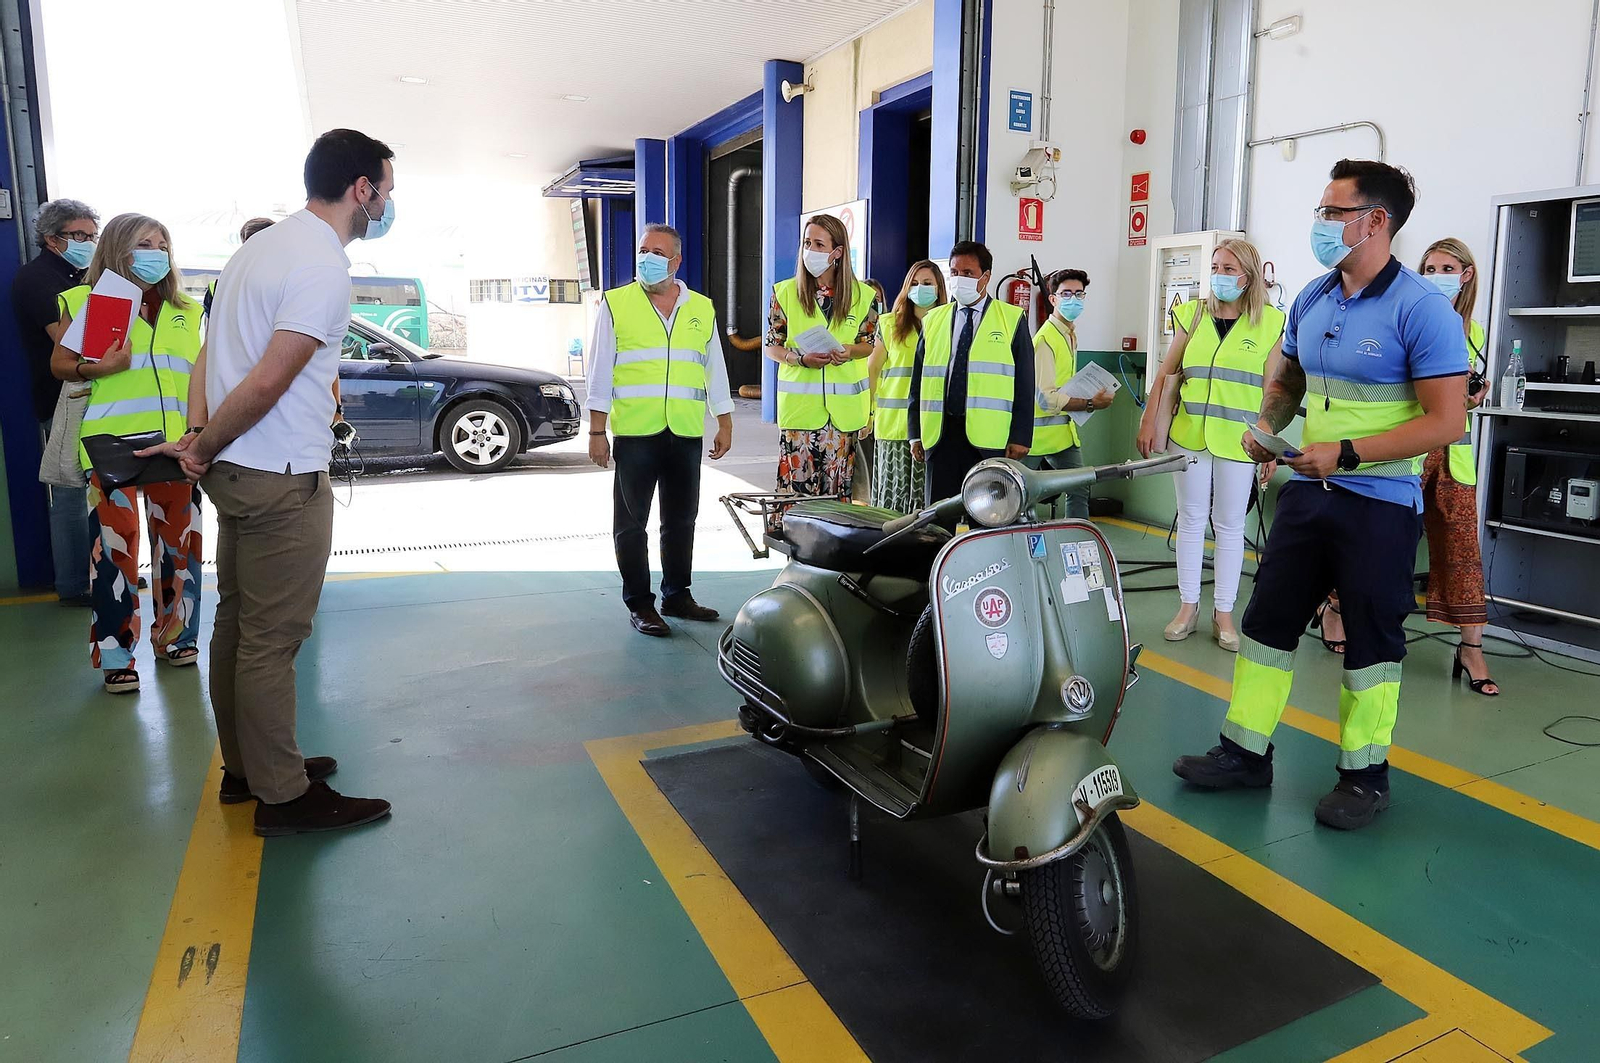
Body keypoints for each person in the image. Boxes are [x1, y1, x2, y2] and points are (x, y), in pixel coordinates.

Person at [1173, 160, 1468, 830]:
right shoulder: (1312, 297)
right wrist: (1266, 429)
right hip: (1308, 492)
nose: (1321, 223)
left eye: (1334, 212)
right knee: (1267, 623)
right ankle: (1244, 751)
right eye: (1322, 210)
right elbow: (1288, 384)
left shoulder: (1423, 310)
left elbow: (1447, 420)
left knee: (1371, 639)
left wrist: (1351, 452)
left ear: (1375, 222)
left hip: (1380, 502)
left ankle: (1365, 776)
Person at [142, 128, 394, 836]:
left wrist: (202, 443)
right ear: (361, 189)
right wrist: (203, 444)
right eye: (387, 190)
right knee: (271, 639)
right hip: (279, 473)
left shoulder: (259, 249)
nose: (387, 203)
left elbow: (213, 357)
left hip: (242, 471)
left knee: (238, 625)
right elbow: (269, 378)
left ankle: (246, 768)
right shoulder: (320, 264)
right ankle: (283, 796)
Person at [48, 214, 204, 693]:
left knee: (180, 549)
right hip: (110, 445)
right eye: (144, 243)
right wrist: (102, 367)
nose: (157, 252)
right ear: (118, 249)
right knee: (114, 556)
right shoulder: (88, 302)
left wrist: (199, 433)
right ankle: (117, 654)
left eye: (163, 243)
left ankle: (175, 636)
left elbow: (201, 376)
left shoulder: (188, 310)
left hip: (177, 443)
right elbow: (61, 364)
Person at [585, 222, 734, 637]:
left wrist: (724, 420)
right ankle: (640, 603)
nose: (647, 259)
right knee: (631, 524)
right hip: (636, 433)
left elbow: (714, 367)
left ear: (676, 260)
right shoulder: (616, 303)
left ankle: (677, 595)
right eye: (643, 250)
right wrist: (598, 432)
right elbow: (600, 372)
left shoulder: (701, 307)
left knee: (682, 519)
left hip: (685, 431)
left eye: (657, 252)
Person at [1137, 240, 1285, 652]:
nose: (1219, 274)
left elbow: (1273, 391)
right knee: (1189, 519)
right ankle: (1188, 606)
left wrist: (1268, 446)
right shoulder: (1192, 313)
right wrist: (1149, 420)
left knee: (1230, 525)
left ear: (1248, 276)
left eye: (1228, 267)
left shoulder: (1271, 323)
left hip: (1240, 442)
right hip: (1190, 436)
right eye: (1215, 265)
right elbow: (1167, 373)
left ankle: (1224, 612)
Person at [1418, 238, 1497, 695]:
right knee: (1376, 536)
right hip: (1409, 448)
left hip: (1454, 453)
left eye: (1446, 267)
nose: (1436, 276)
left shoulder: (1477, 334)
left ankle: (1471, 649)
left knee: (1463, 550)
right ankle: (1336, 609)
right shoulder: (1410, 320)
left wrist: (1471, 398)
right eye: (1428, 268)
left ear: (1465, 274)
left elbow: (1466, 394)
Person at [12, 198, 98, 605]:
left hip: (92, 394)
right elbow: (69, 345)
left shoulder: (83, 276)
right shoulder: (38, 279)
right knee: (69, 491)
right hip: (62, 395)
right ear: (51, 238)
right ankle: (74, 584)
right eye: (79, 235)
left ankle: (99, 572)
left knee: (93, 490)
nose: (87, 243)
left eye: (91, 236)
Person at [908, 241, 1035, 503]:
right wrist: (915, 433)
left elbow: (1025, 383)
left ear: (986, 277)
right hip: (941, 434)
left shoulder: (1011, 319)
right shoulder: (933, 320)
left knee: (988, 517)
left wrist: (1021, 435)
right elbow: (918, 382)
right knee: (938, 517)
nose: (959, 279)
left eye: (968, 273)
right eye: (954, 273)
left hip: (988, 441)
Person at [765, 215, 877, 497]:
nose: (810, 250)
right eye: (806, 243)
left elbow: (869, 344)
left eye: (818, 244)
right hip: (800, 416)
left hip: (842, 419)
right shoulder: (785, 292)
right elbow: (772, 346)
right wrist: (799, 359)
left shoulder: (864, 295)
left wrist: (850, 351)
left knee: (836, 496)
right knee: (797, 494)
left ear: (837, 252)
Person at [1031, 268, 1113, 520]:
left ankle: (1078, 544)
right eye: (1066, 293)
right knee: (1019, 496)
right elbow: (1046, 398)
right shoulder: (1045, 339)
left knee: (1079, 486)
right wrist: (1090, 403)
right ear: (1053, 299)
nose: (1074, 299)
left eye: (1079, 294)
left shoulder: (1069, 335)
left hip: (1063, 434)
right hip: (1034, 438)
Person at [868, 260, 944, 512]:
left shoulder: (948, 324)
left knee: (927, 504)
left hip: (932, 427)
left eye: (927, 283)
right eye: (914, 283)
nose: (920, 288)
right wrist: (868, 414)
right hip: (895, 429)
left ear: (938, 288)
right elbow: (872, 370)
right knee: (893, 506)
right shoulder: (889, 324)